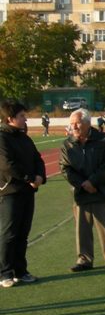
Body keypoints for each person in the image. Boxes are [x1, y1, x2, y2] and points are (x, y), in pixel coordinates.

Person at [60, 108, 105, 273]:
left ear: (88, 123)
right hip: (80, 192)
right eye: (72, 124)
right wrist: (82, 184)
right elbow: (65, 168)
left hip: (100, 190)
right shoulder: (67, 144)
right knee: (82, 229)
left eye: (77, 123)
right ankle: (84, 259)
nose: (74, 127)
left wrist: (92, 181)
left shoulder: (103, 139)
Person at [0, 101, 46, 287]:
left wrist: (40, 176)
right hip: (10, 192)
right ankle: (4, 273)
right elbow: (7, 165)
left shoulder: (24, 138)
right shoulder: (2, 138)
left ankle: (21, 271)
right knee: (9, 233)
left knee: (22, 233)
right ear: (10, 119)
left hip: (27, 191)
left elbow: (37, 159)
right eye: (21, 116)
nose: (25, 119)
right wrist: (29, 178)